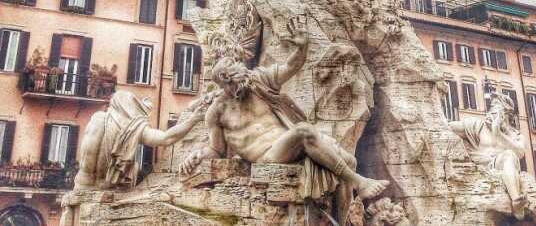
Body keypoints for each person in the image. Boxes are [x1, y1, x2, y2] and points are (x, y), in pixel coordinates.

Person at [180, 18, 388, 220]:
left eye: (241, 80)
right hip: (267, 157)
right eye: (233, 84)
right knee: (303, 131)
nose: (241, 86)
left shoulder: (258, 81)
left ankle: (341, 221)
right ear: (222, 84)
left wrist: (302, 47)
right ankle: (359, 181)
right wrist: (196, 155)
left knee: (349, 160)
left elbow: (291, 66)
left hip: (288, 145)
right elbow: (216, 150)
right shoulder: (216, 111)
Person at [74, 90, 206, 190]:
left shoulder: (99, 119)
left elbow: (87, 158)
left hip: (83, 185)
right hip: (106, 189)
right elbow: (166, 138)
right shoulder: (134, 128)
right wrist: (193, 120)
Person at [443, 90, 527, 219]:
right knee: (508, 155)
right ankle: (516, 199)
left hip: (502, 165)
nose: (491, 114)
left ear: (507, 116)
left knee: (509, 155)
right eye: (491, 110)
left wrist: (497, 133)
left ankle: (516, 201)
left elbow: (520, 153)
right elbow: (449, 127)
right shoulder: (478, 126)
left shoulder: (516, 135)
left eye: (496, 112)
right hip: (481, 166)